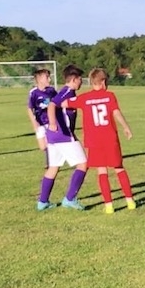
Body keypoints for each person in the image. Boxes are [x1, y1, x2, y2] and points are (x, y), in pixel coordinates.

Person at [72, 68, 135, 213]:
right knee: (119, 168)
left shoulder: (85, 98)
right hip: (110, 138)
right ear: (103, 82)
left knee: (102, 171)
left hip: (94, 140)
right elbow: (116, 112)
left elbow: (64, 103)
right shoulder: (109, 96)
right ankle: (130, 200)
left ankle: (108, 205)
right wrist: (126, 127)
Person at [36, 65, 89, 211]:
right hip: (63, 135)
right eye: (80, 79)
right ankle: (70, 199)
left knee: (53, 167)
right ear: (74, 79)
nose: (81, 82)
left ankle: (42, 202)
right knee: (83, 164)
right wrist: (53, 123)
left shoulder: (67, 92)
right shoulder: (67, 91)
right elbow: (52, 105)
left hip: (53, 137)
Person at [26, 67, 56, 160]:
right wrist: (34, 122)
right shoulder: (34, 93)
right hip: (40, 122)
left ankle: (51, 163)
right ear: (39, 80)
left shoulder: (51, 90)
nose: (49, 79)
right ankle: (51, 161)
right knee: (43, 147)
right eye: (47, 77)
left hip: (50, 121)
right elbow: (30, 108)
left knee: (51, 143)